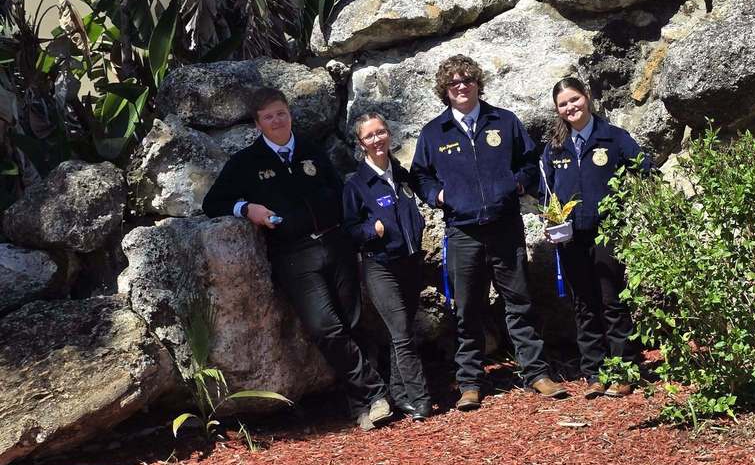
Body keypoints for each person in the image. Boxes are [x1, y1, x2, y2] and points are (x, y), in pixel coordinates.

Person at [202, 87, 392, 431]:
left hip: (336, 244)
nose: (276, 121)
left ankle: (362, 405)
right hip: (294, 254)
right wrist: (248, 209)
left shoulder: (311, 151)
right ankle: (376, 392)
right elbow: (213, 202)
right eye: (268, 117)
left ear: (290, 114)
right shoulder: (246, 162)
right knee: (325, 327)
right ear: (258, 124)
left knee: (352, 321)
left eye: (281, 113)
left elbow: (339, 190)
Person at [411, 54, 567, 409]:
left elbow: (530, 161)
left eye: (467, 80)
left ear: (478, 83)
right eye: (453, 83)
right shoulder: (435, 132)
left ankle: (537, 374)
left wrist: (516, 184)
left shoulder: (504, 121)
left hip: (505, 227)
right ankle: (470, 382)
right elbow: (420, 175)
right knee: (467, 309)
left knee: (520, 303)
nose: (461, 86)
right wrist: (438, 195)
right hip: (462, 232)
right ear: (445, 91)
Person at [541, 76, 651, 397]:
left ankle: (624, 370)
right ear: (557, 110)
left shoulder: (613, 138)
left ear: (586, 98)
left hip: (607, 235)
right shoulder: (555, 147)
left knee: (611, 300)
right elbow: (545, 191)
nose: (570, 107)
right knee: (584, 304)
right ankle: (594, 371)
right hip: (570, 237)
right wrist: (551, 221)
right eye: (563, 104)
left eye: (574, 100)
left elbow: (644, 168)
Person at [343, 112, 432, 421]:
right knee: (402, 333)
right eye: (369, 136)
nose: (377, 139)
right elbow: (350, 231)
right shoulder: (357, 185)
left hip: (410, 262)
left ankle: (399, 393)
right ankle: (421, 400)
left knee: (401, 332)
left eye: (381, 132)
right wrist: (372, 231)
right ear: (360, 143)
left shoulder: (402, 174)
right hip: (380, 266)